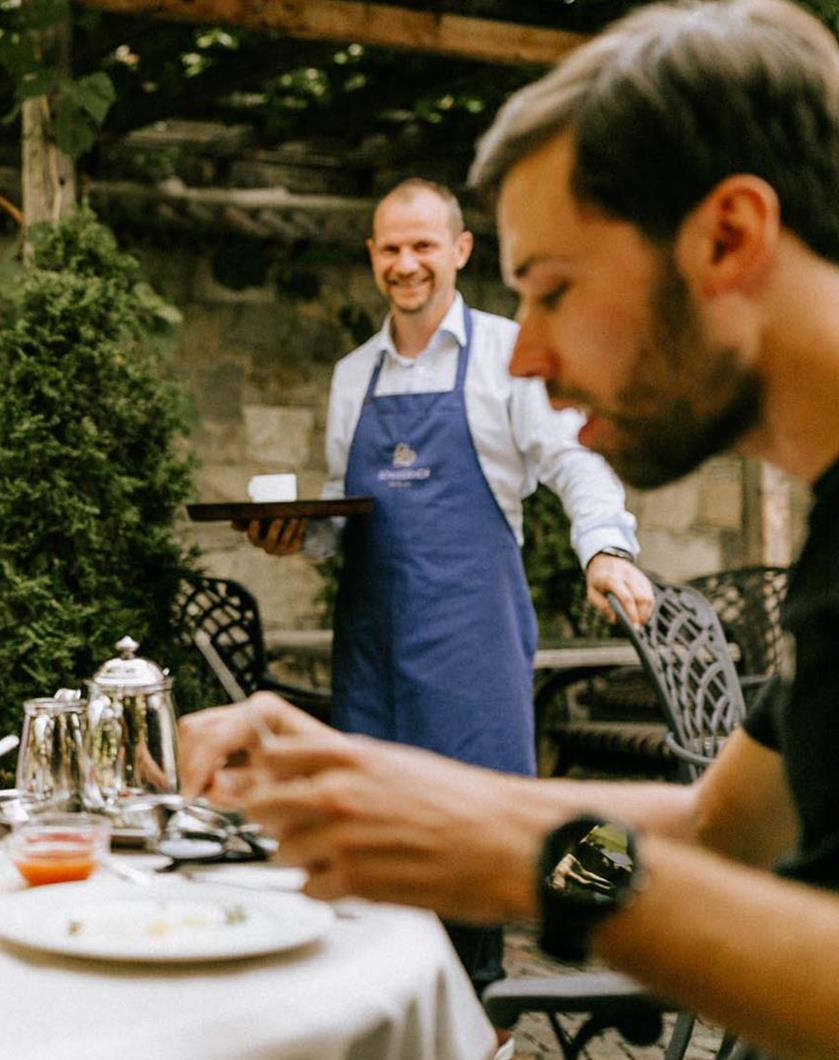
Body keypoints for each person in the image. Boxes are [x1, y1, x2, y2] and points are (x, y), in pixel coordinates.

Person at [179, 0, 839, 1054]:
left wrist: (520, 866)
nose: (523, 355)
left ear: (727, 238)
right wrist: (404, 798)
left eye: (553, 289)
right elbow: (718, 830)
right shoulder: (830, 547)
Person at [238, 176, 655, 995]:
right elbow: (342, 510)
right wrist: (296, 534)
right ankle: (388, 1017)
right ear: (371, 256)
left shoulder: (506, 354)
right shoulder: (352, 374)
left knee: (473, 840)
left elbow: (574, 460)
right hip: (371, 648)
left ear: (459, 250)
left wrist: (604, 549)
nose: (406, 264)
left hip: (471, 648)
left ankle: (479, 1019)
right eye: (391, 248)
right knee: (374, 842)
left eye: (423, 245)